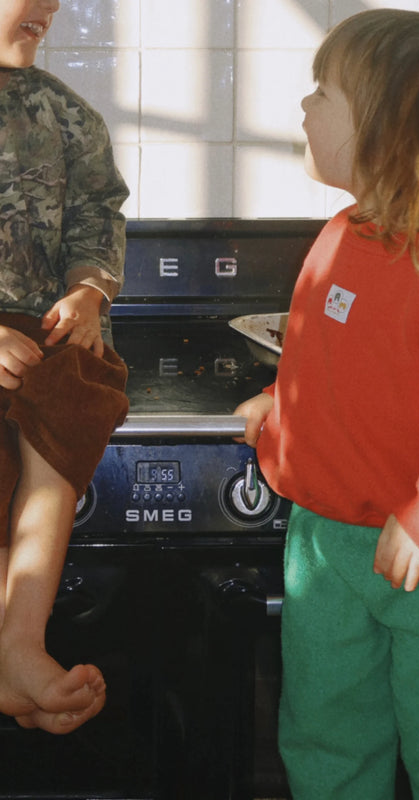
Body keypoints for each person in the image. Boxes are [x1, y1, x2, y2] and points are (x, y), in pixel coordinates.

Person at [235, 9, 419, 800]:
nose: (304, 106)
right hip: (325, 541)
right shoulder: (343, 234)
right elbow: (336, 359)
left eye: (323, 93)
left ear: (392, 129)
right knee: (324, 736)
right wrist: (280, 406)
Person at [0, 0, 129, 735]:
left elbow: (97, 216)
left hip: (38, 333)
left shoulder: (67, 115)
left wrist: (88, 292)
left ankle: (18, 642)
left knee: (73, 392)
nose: (49, 4)